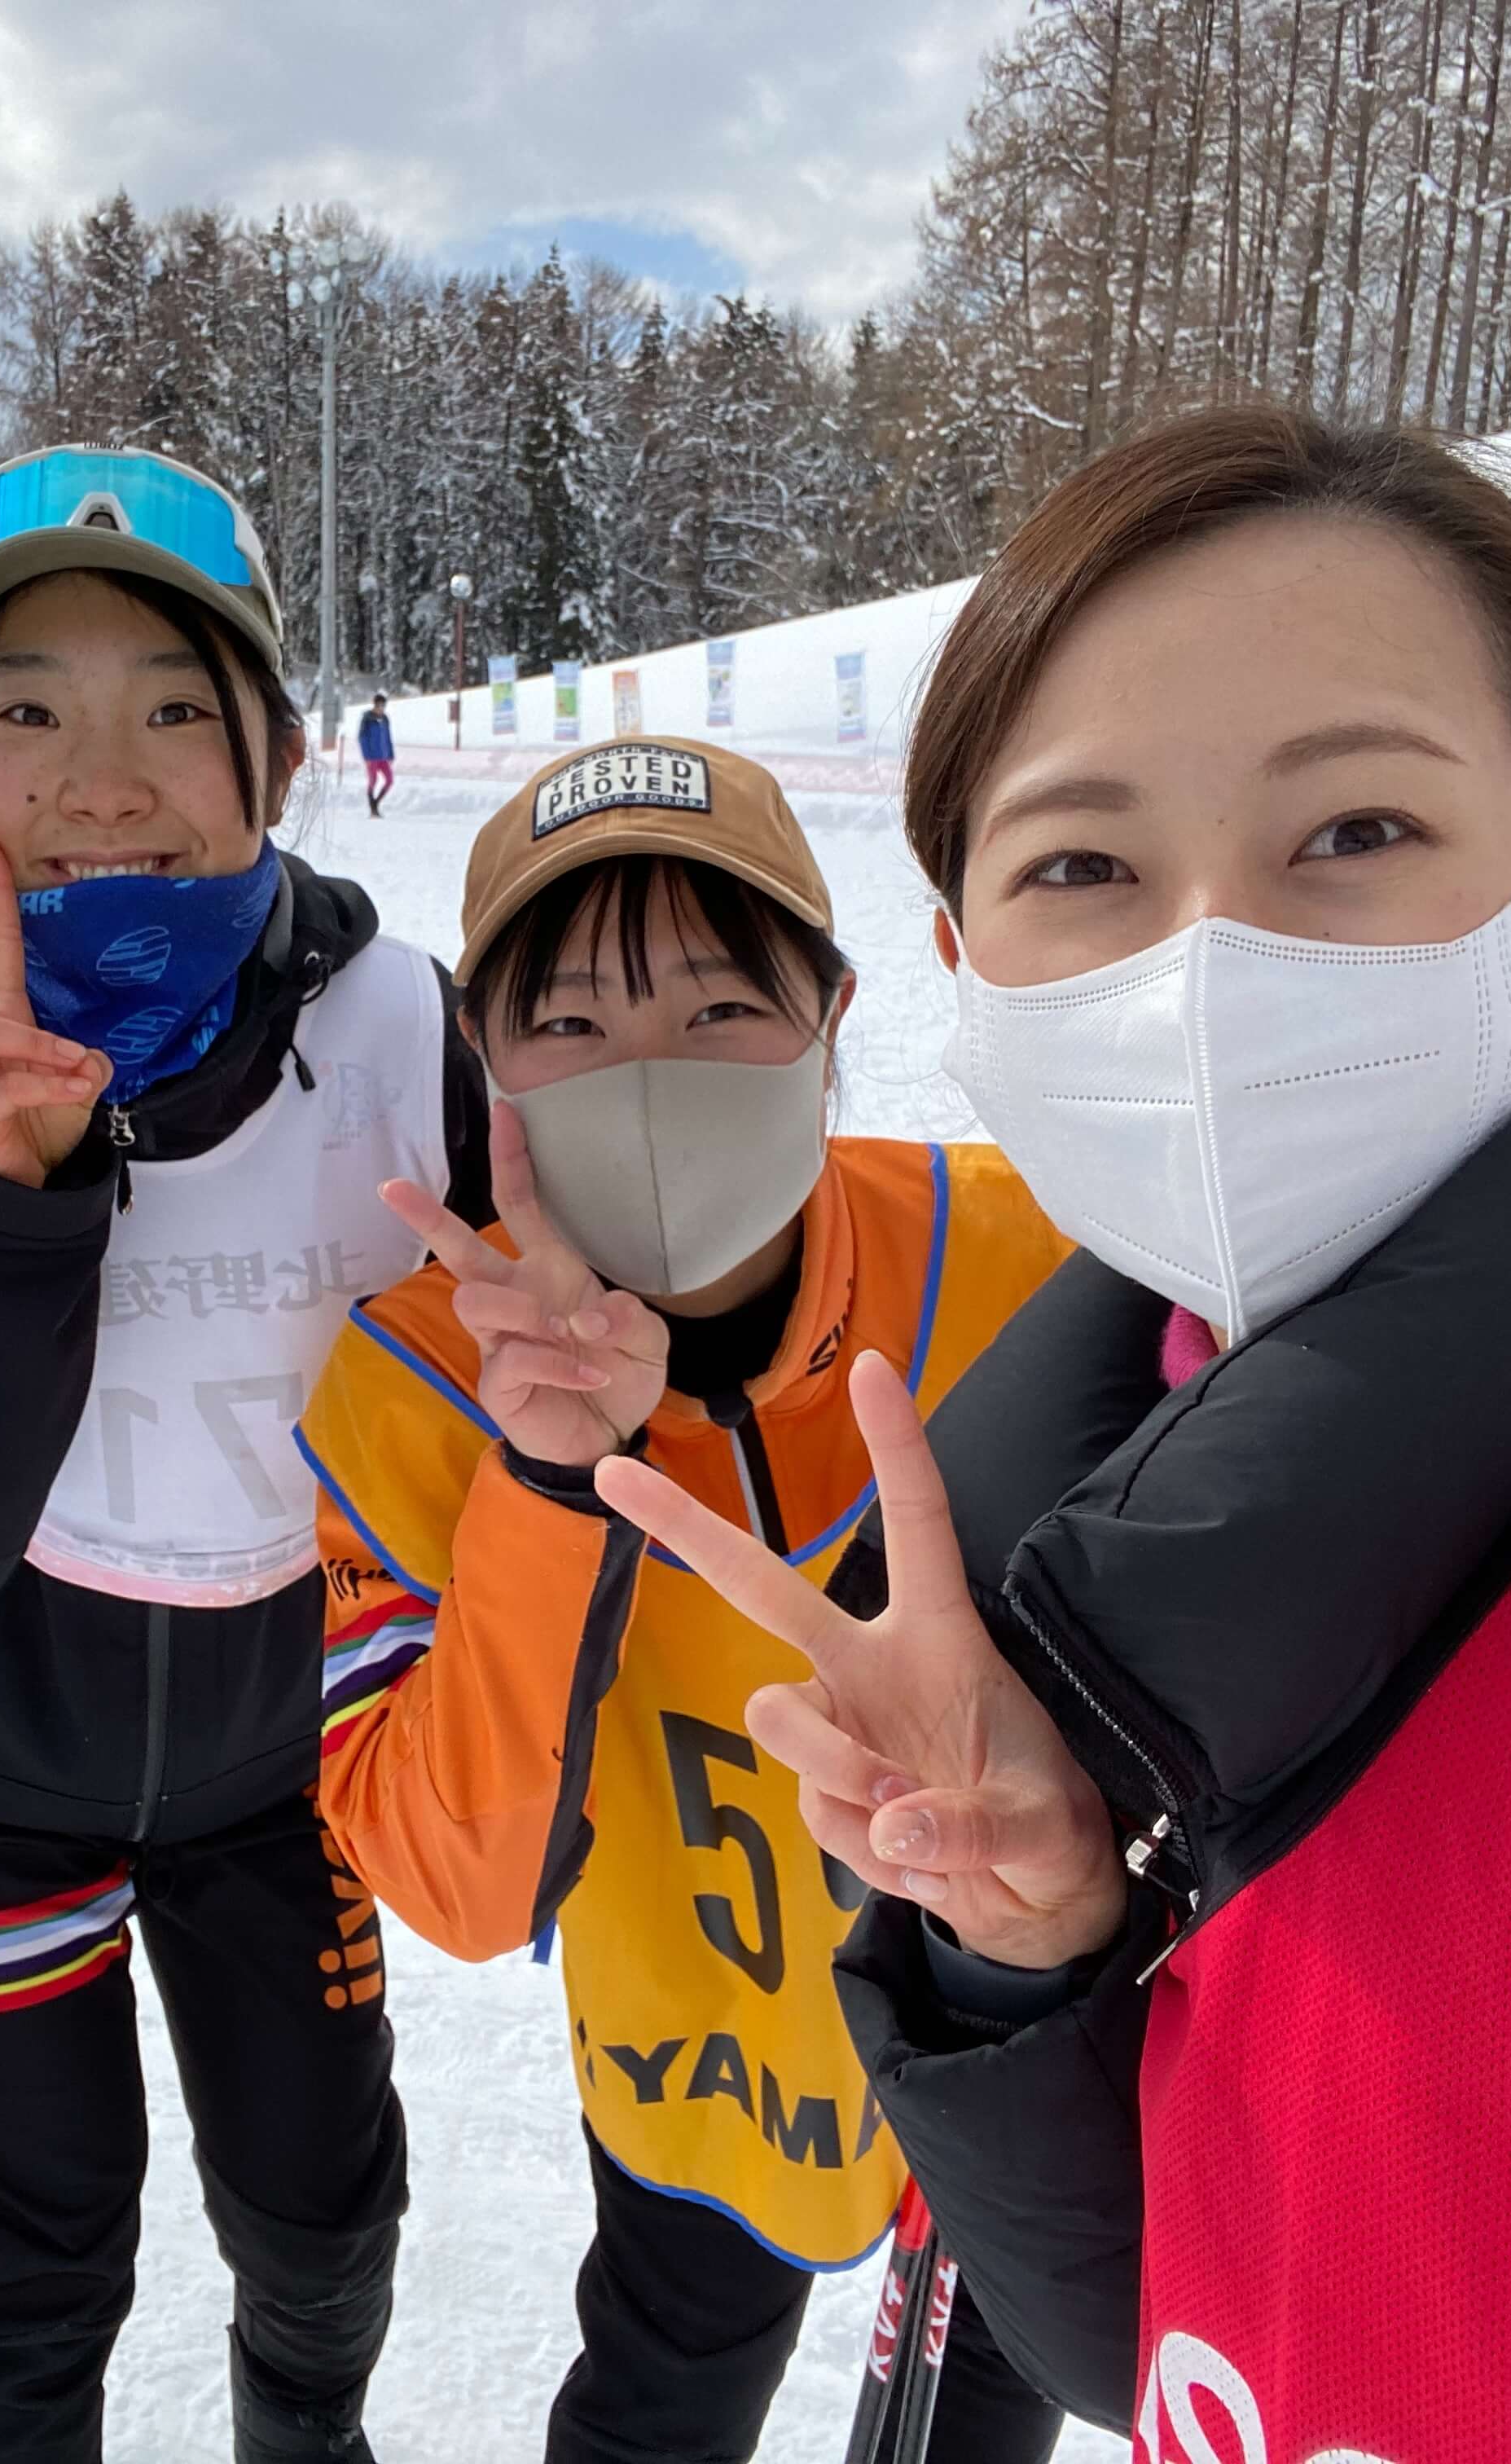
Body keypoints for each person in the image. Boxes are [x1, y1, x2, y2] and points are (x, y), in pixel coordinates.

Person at [600, 407, 1511, 2462]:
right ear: (970, 974)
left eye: (1351, 833)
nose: (1204, 955)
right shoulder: (1094, 1573)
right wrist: (1033, 1955)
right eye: (1083, 863)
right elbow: (1166, 2339)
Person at [0, 447, 490, 2463]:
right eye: (28, 714)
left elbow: (528, 1393)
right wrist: (8, 1187)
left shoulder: (405, 1024)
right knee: (37, 2244)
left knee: (326, 2212)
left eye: (175, 707)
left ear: (270, 750)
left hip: (293, 1766)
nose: (103, 777)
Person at [297, 737, 1074, 2463]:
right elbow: (458, 1884)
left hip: (1013, 2060)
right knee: (661, 2387)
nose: (647, 1075)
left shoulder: (1030, 1266)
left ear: (831, 1012)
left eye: (722, 1008)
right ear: (481, 1062)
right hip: (692, 2048)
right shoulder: (400, 1386)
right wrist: (550, 1481)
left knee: (993, 2407)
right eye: (569, 1025)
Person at [358, 693, 395, 814]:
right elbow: (362, 738)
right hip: (372, 757)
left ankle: (376, 802)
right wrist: (366, 756)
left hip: (384, 756)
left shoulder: (385, 719)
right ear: (375, 705)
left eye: (383, 706)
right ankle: (372, 806)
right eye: (379, 706)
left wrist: (391, 754)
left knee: (390, 780)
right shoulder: (367, 719)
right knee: (373, 781)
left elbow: (388, 737)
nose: (381, 708)